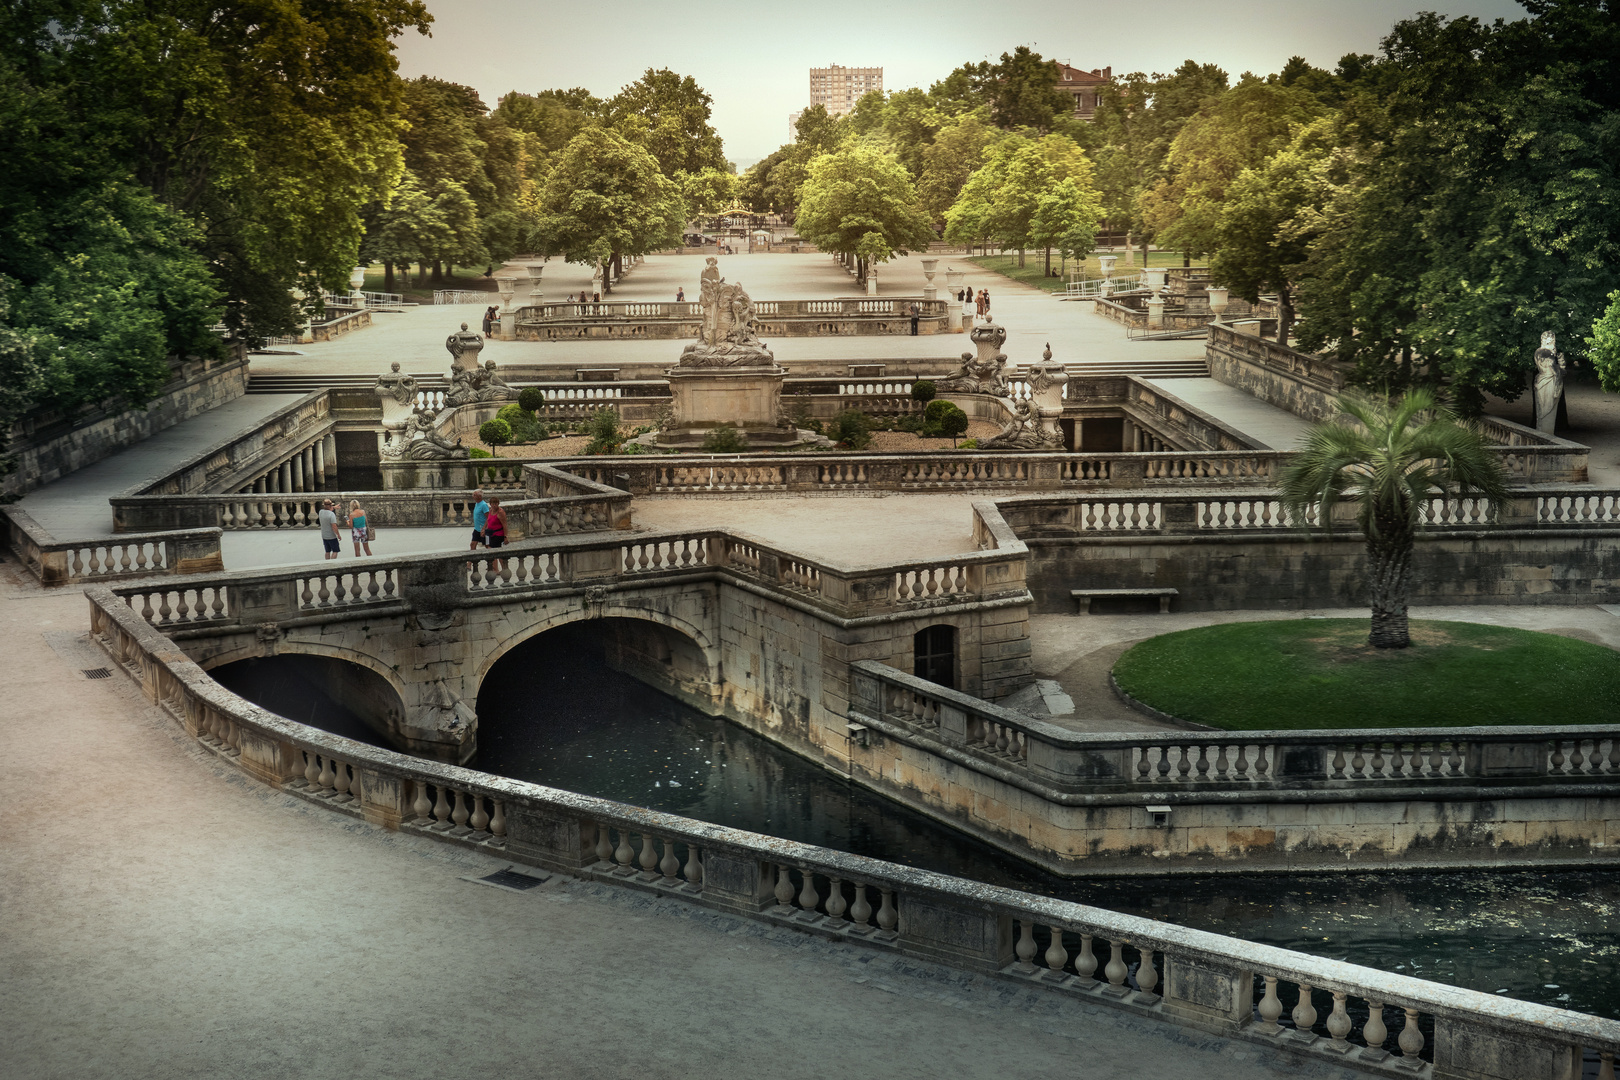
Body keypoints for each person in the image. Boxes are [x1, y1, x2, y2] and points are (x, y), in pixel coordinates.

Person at [483, 495, 508, 572]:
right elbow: (488, 520)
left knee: (495, 551)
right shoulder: (490, 511)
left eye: (495, 503)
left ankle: (502, 568)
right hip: (490, 533)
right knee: (491, 549)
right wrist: (484, 528)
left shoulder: (500, 512)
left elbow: (505, 525)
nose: (494, 505)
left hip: (498, 534)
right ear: (490, 504)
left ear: (498, 504)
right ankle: (497, 568)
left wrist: (506, 537)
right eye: (493, 503)